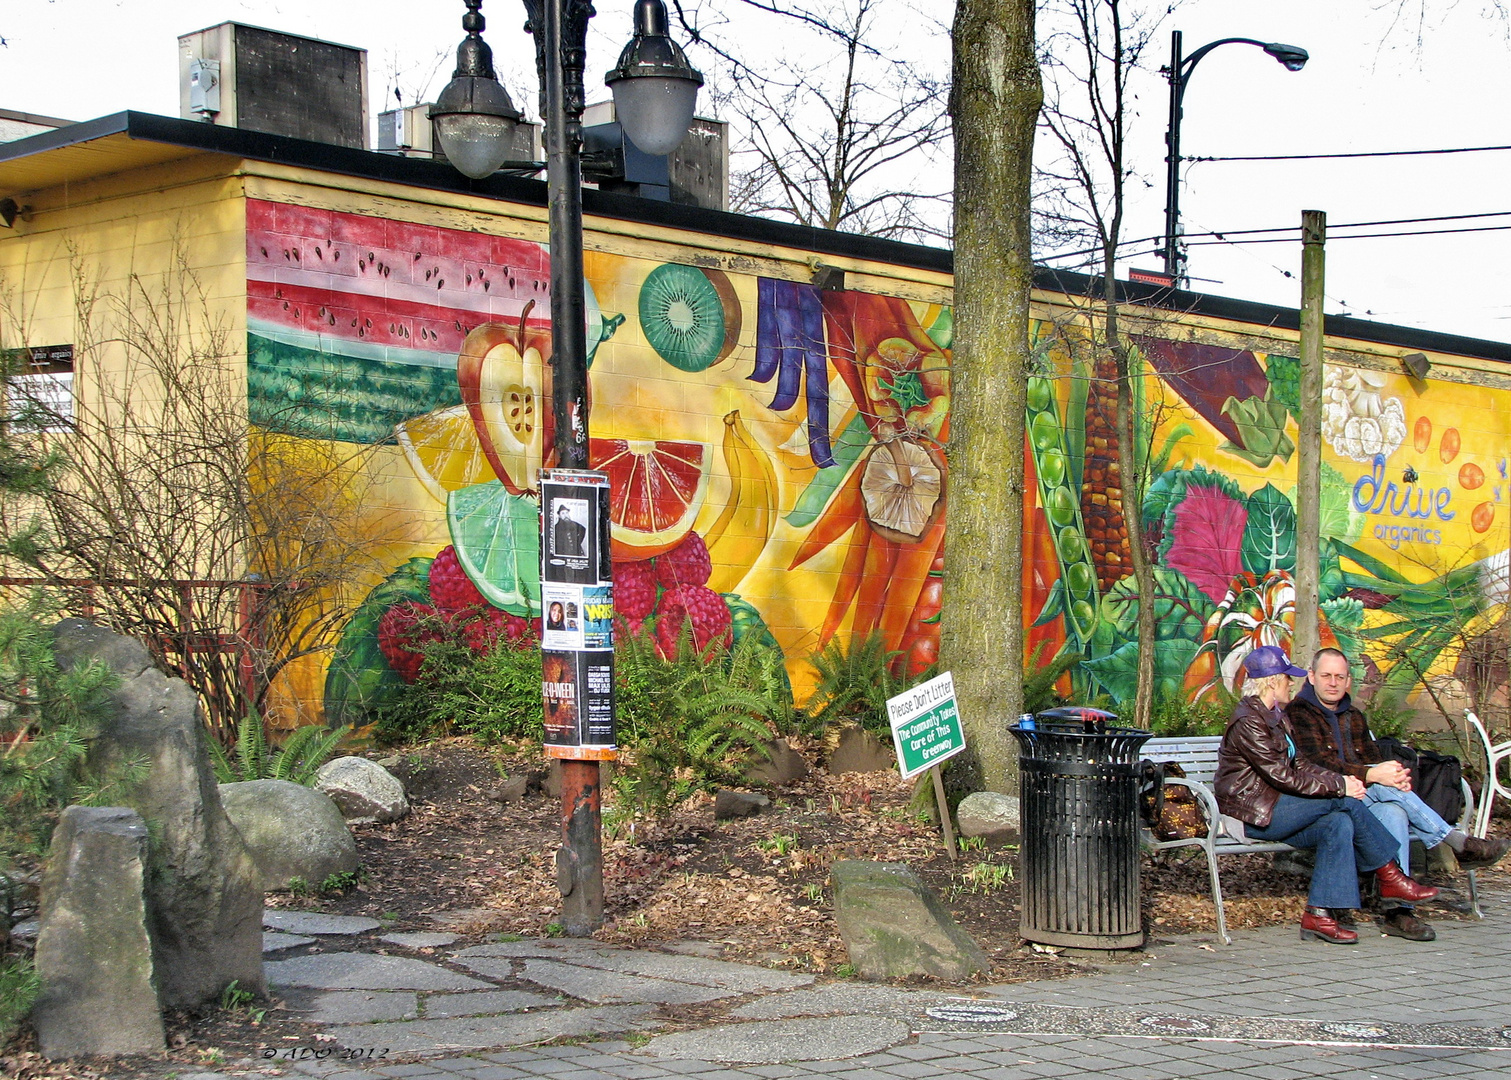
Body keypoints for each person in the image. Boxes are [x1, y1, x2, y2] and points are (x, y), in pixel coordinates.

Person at [1214, 645, 1439, 945]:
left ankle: (1319, 915)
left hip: (1278, 807)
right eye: (1287, 678)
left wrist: (1342, 779)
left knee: (1339, 823)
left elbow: (1302, 764)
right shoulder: (1249, 721)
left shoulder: (1276, 715)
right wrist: (1341, 787)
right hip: (1251, 814)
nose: (1292, 683)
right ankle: (1391, 877)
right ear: (1271, 680)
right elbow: (1283, 776)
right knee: (1342, 801)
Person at [1287, 647, 1510, 940]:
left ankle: (1398, 912)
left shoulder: (1353, 715)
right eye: (1326, 675)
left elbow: (1369, 758)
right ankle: (1458, 843)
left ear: (1348, 681)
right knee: (1387, 791)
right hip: (1325, 799)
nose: (1333, 682)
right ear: (1312, 677)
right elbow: (1315, 764)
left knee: (1395, 809)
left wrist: (1391, 776)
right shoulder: (1297, 713)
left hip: (1363, 798)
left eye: (1340, 677)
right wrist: (1373, 775)